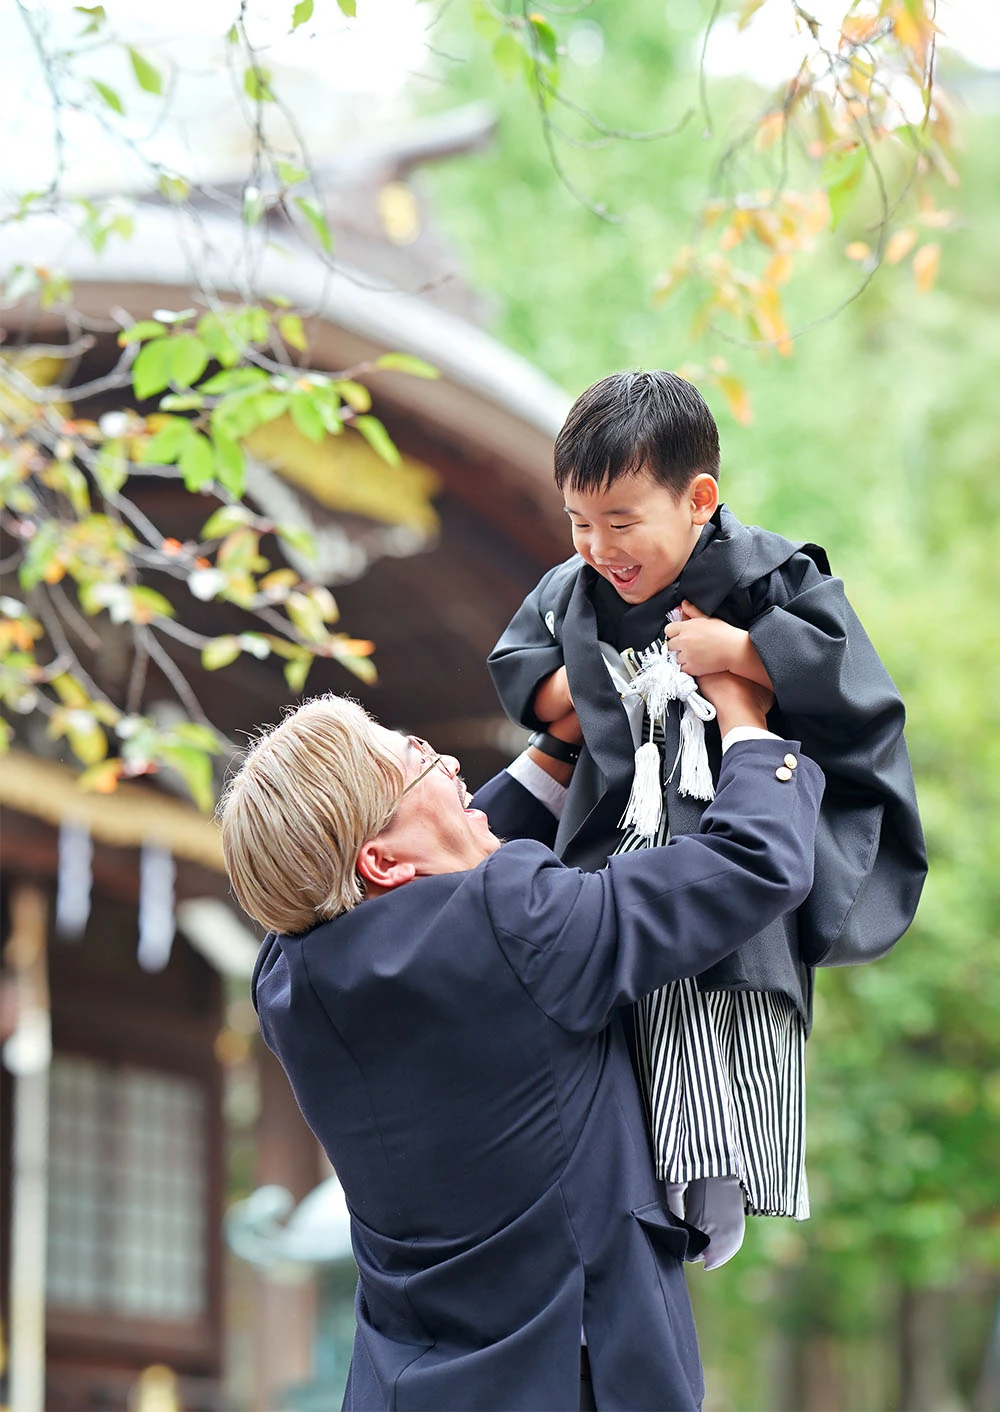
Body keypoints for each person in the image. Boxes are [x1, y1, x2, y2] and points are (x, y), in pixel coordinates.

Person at [219, 676, 824, 1412]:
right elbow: (753, 864)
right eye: (416, 762)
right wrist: (747, 720)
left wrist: (556, 747)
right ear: (381, 862)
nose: (448, 764)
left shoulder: (287, 987)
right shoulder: (514, 924)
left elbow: (431, 882)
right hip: (571, 1381)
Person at [488, 369, 927, 1269]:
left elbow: (855, 685)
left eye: (620, 522)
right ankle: (615, 1179)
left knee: (721, 1000)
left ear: (698, 500)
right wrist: (601, 677)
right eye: (578, 521)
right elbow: (524, 674)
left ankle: (716, 1181)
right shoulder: (570, 592)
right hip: (613, 839)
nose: (598, 546)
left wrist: (747, 654)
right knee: (601, 1013)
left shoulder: (773, 573)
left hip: (727, 824)